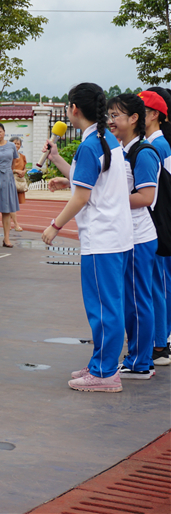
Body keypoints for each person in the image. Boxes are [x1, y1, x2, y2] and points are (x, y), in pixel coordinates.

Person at [42, 83, 131, 392]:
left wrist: (55, 225)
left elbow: (81, 197)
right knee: (108, 306)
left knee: (104, 308)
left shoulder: (93, 144)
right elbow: (87, 183)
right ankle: (100, 363)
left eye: (68, 106)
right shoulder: (103, 140)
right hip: (114, 237)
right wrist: (57, 161)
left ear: (74, 110)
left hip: (102, 239)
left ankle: (106, 373)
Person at [107, 94, 159, 380]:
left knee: (139, 301)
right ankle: (136, 357)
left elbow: (147, 196)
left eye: (116, 115)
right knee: (131, 300)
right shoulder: (123, 150)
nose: (111, 120)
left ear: (134, 118)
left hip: (140, 237)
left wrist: (109, 198)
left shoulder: (144, 153)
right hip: (128, 236)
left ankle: (141, 363)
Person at [140, 89, 171, 367]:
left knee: (158, 286)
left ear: (153, 115)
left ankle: (160, 345)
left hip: (158, 225)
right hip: (158, 224)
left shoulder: (159, 147)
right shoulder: (155, 144)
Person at [11, 137, 28, 231]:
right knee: (11, 204)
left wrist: (23, 172)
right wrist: (16, 170)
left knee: (13, 203)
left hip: (19, 182)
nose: (16, 145)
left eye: (18, 143)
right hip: (10, 181)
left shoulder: (22, 156)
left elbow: (25, 167)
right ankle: (16, 224)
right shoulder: (8, 156)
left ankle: (7, 222)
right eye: (14, 143)